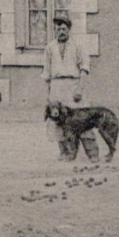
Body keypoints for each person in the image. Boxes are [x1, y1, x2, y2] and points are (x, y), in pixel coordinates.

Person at [41, 14, 93, 161]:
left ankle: (91, 153)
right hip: (56, 86)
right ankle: (64, 152)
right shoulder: (50, 48)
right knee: (58, 123)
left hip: (73, 84)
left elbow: (84, 68)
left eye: (64, 28)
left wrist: (80, 89)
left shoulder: (78, 46)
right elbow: (46, 73)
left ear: (69, 30)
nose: (61, 31)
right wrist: (48, 95)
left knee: (81, 119)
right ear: (55, 30)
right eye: (58, 29)